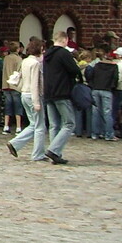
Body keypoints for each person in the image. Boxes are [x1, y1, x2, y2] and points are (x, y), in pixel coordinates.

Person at [7, 36, 48, 163]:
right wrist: (36, 102)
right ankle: (38, 154)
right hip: (32, 94)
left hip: (24, 93)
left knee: (33, 124)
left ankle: (15, 143)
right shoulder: (35, 64)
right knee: (40, 126)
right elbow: (35, 83)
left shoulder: (25, 61)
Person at [40, 31, 78, 165]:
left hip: (49, 92)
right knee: (69, 123)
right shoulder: (63, 53)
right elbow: (74, 70)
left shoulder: (46, 54)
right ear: (65, 40)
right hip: (61, 91)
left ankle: (56, 153)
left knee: (54, 125)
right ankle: (54, 150)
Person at [85, 48, 120, 141]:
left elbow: (90, 76)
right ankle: (108, 134)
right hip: (107, 90)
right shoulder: (114, 67)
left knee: (95, 112)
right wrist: (112, 87)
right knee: (107, 113)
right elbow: (115, 79)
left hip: (95, 89)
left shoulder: (96, 65)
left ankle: (95, 133)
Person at [0, 39, 24, 134]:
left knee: (8, 105)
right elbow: (19, 72)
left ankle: (6, 126)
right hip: (15, 85)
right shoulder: (19, 59)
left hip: (6, 84)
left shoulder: (6, 58)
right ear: (17, 49)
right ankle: (18, 127)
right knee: (17, 106)